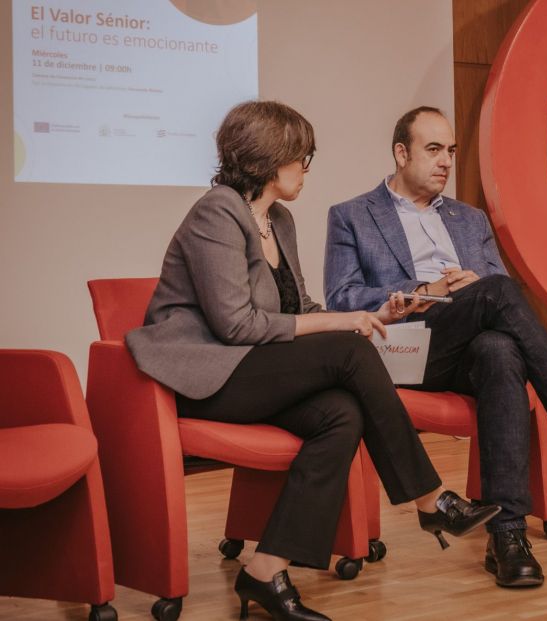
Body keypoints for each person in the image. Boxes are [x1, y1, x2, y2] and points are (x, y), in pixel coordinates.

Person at [126, 101, 500, 621]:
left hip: (255, 370)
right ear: (268, 159)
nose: (306, 168)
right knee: (348, 348)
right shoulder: (216, 212)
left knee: (340, 413)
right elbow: (236, 326)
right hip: (207, 376)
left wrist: (375, 313)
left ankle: (266, 570)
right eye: (301, 157)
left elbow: (300, 309)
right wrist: (344, 326)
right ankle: (429, 500)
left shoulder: (279, 220)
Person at [323, 106, 547, 588]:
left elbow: (496, 288)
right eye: (433, 150)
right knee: (496, 299)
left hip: (471, 342)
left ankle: (508, 536)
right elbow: (341, 298)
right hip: (406, 347)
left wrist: (473, 285)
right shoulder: (352, 215)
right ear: (400, 153)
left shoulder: (468, 218)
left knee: (500, 349)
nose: (445, 162)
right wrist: (425, 291)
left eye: (450, 151)